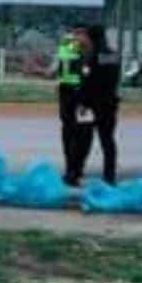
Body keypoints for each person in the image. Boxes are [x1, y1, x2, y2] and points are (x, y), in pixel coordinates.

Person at [69, 24, 121, 185]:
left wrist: (80, 100)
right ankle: (109, 175)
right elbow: (113, 78)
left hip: (88, 105)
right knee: (108, 140)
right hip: (109, 103)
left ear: (91, 38)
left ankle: (75, 173)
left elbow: (87, 80)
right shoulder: (113, 55)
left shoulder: (90, 57)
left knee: (82, 140)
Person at [52, 26, 87, 185]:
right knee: (70, 133)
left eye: (81, 34)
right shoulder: (67, 48)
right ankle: (72, 170)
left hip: (82, 96)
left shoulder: (88, 50)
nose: (77, 37)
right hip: (68, 94)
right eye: (76, 33)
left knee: (81, 133)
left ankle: (75, 169)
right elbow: (60, 70)